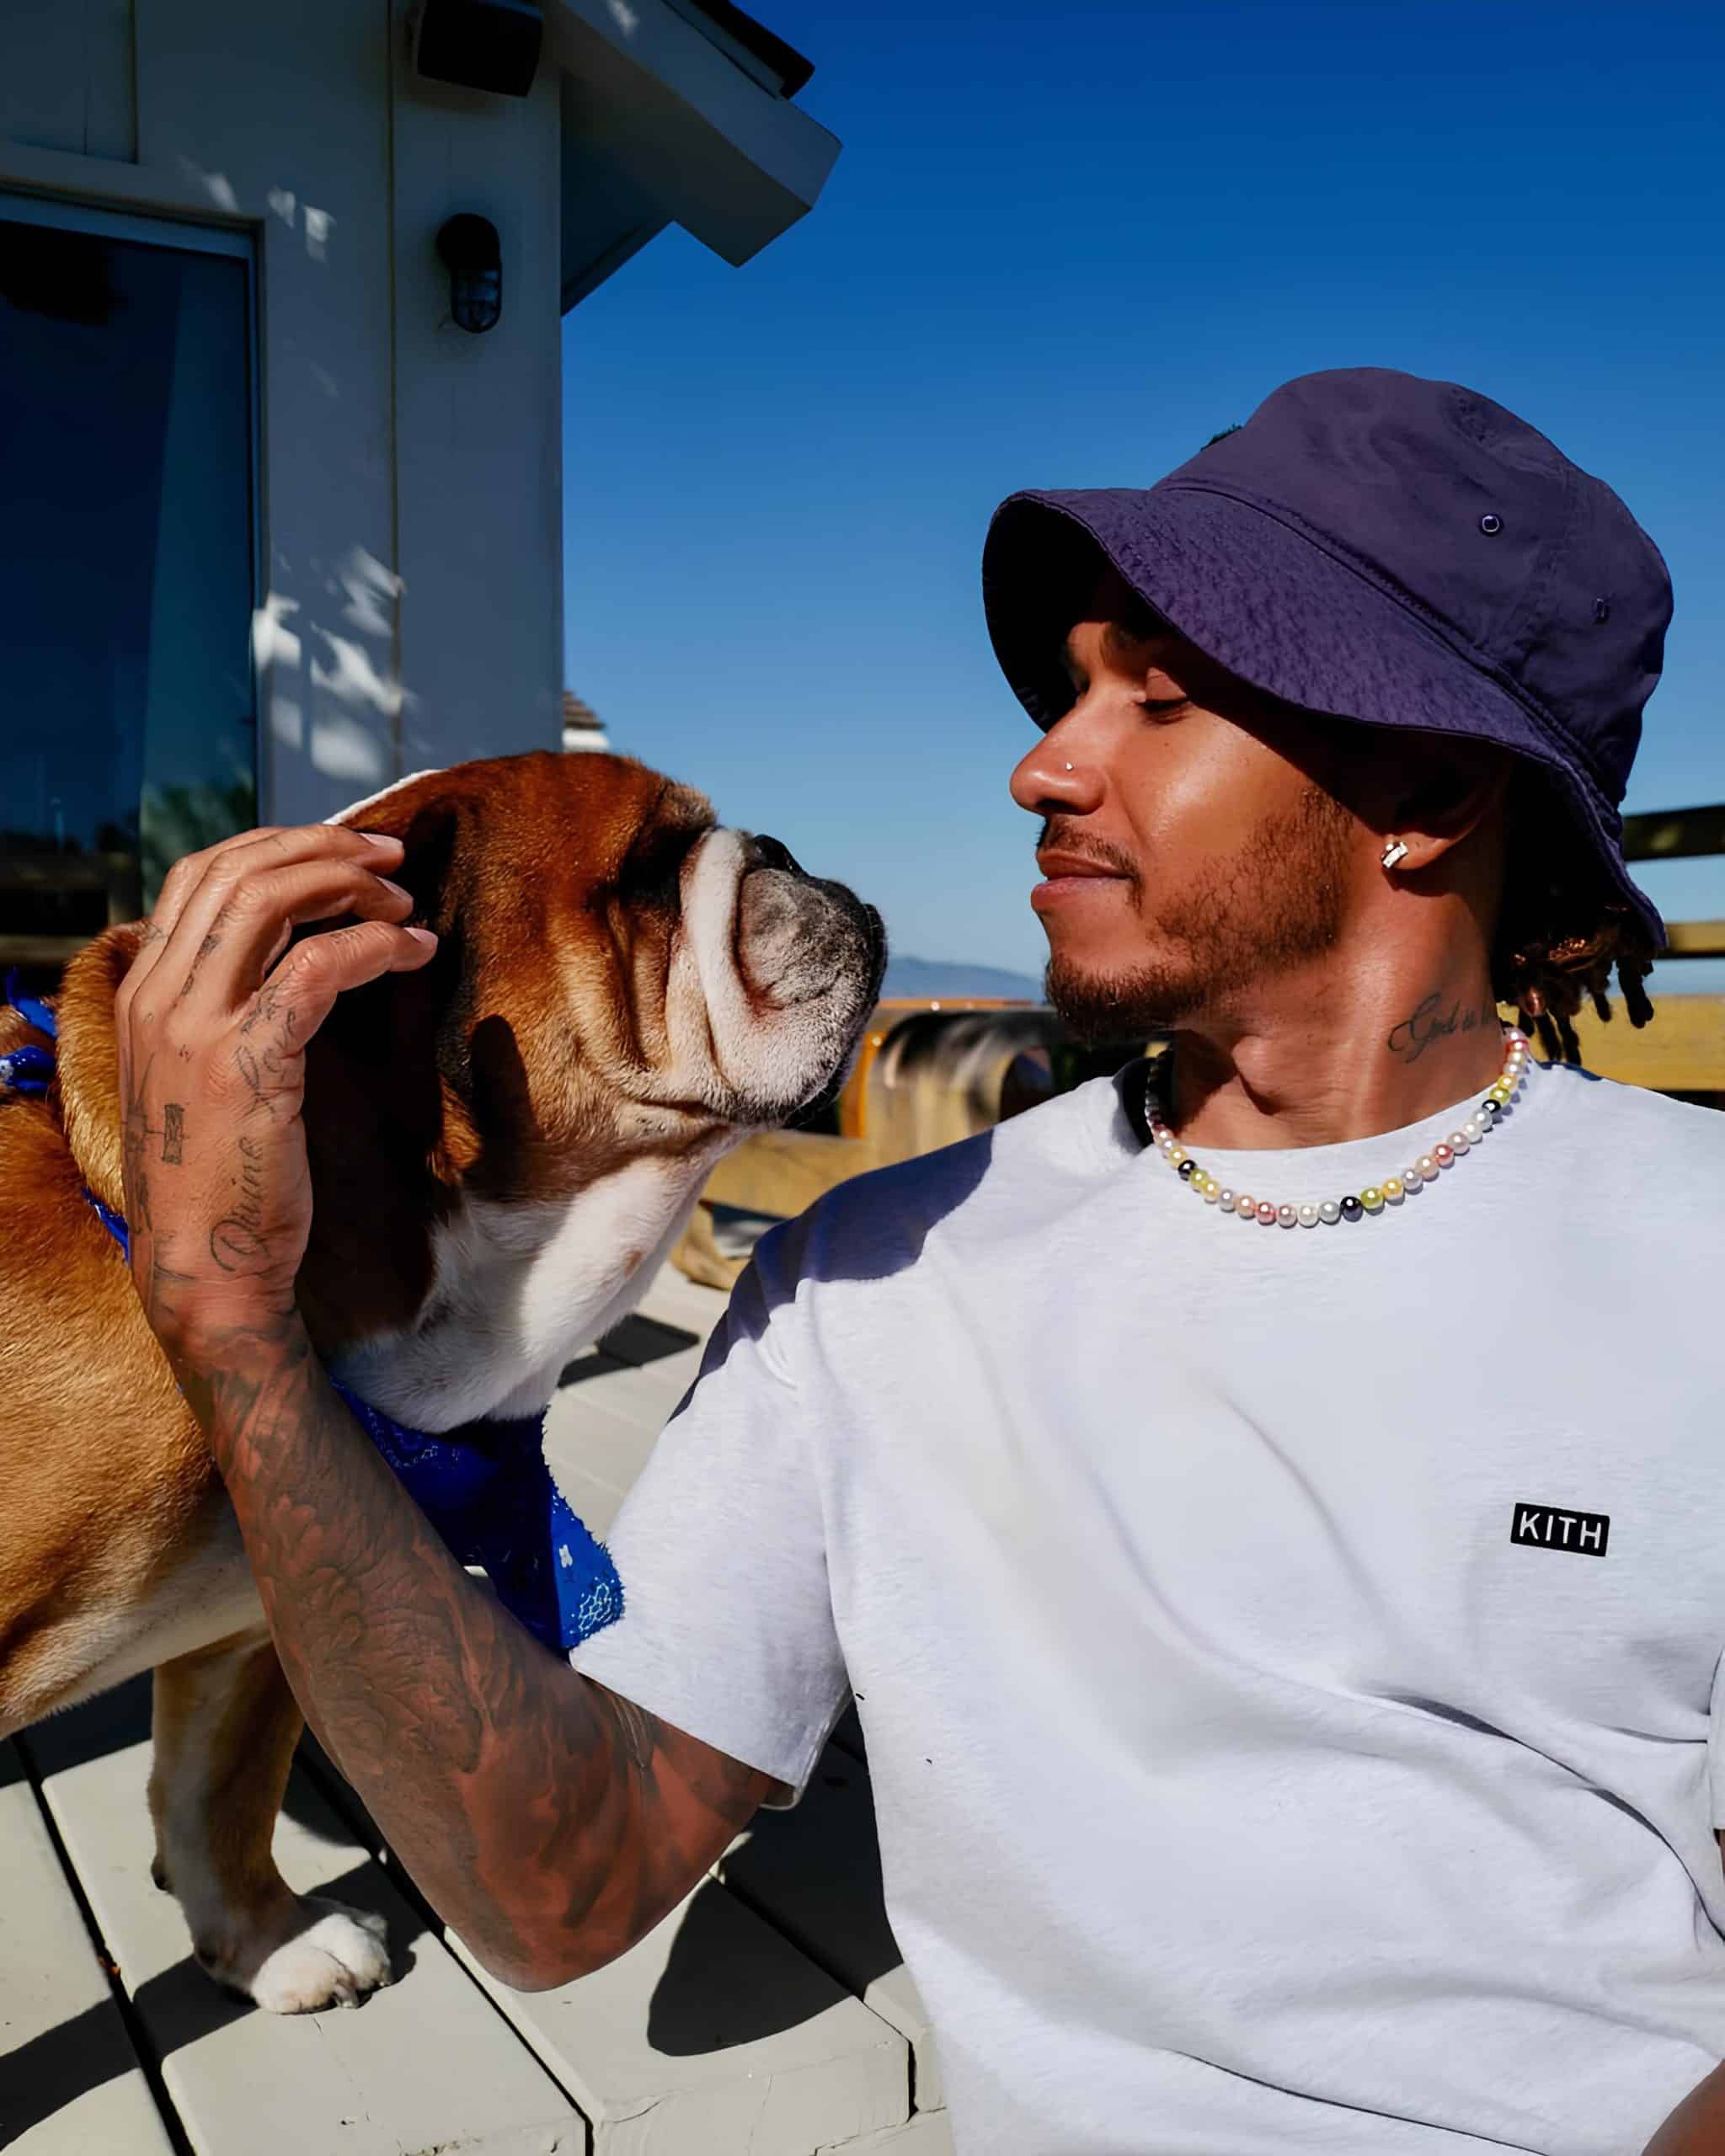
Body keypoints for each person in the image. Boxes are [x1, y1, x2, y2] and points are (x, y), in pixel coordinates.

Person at [118, 368, 1725, 2155]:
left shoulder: (1691, 1264)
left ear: (1423, 788)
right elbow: (551, 1881)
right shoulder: (872, 1277)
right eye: (1067, 694)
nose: (1040, 761)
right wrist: (229, 1311)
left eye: (1160, 698)